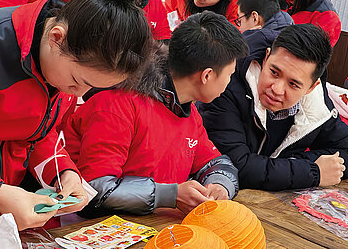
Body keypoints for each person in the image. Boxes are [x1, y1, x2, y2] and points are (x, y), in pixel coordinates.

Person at [0, 0, 152, 230]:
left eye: (93, 88)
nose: (80, 94)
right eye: (77, 82)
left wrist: (63, 172)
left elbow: (39, 131)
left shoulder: (60, 69)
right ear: (57, 38)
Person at [63, 11, 248, 216]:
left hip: (150, 227)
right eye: (229, 75)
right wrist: (170, 194)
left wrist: (220, 186)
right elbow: (94, 189)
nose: (229, 83)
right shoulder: (118, 104)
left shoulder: (189, 112)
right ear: (207, 75)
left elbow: (215, 162)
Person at [199, 24, 348, 191]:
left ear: (311, 88)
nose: (276, 89)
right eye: (274, 72)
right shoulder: (226, 85)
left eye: (293, 84)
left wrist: (293, 164)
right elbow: (235, 166)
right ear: (266, 57)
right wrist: (312, 171)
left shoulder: (316, 101)